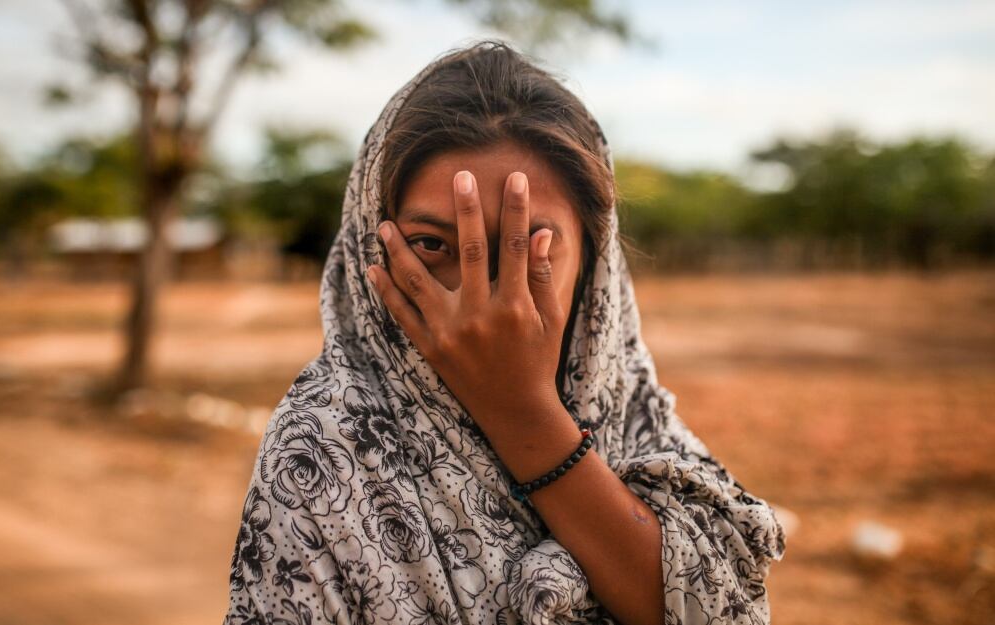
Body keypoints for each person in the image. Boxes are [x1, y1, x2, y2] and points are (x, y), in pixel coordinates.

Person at [222, 39, 786, 625]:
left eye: (531, 250)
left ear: (594, 267)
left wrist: (525, 413)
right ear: (373, 245)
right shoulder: (325, 445)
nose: (487, 304)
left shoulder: (630, 412)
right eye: (432, 246)